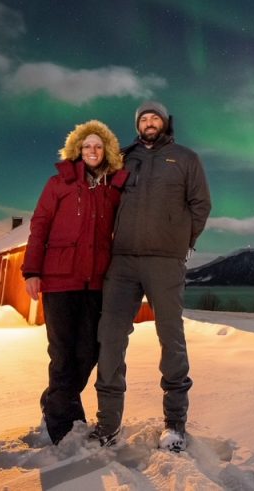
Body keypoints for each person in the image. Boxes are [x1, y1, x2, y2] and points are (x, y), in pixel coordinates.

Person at [91, 101, 211, 452]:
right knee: (110, 337)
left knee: (170, 338)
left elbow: (200, 204)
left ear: (165, 122)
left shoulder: (186, 158)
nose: (149, 122)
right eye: (143, 119)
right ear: (137, 125)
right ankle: (108, 424)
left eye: (154, 117)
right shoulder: (122, 159)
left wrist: (183, 240)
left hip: (165, 261)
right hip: (123, 260)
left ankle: (175, 424)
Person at [22, 120, 128, 445]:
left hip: (95, 284)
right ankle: (59, 425)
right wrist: (32, 271)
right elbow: (39, 225)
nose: (93, 151)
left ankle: (56, 399)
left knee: (89, 353)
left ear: (106, 150)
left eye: (98, 146)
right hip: (59, 281)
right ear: (77, 151)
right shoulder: (60, 183)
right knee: (63, 353)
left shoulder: (112, 189)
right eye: (87, 146)